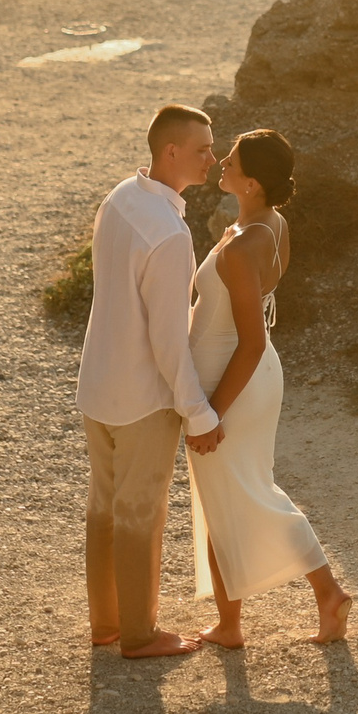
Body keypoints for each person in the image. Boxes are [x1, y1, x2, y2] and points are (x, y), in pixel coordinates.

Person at [186, 129, 354, 647]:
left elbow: (251, 342)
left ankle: (323, 592)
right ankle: (231, 622)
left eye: (231, 160)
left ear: (253, 183)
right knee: (231, 495)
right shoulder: (270, 223)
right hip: (247, 377)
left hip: (232, 378)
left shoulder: (244, 245)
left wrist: (209, 412)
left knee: (245, 494)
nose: (220, 163)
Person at [76, 104, 223, 659]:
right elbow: (169, 340)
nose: (213, 157)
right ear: (172, 153)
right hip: (140, 398)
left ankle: (107, 624)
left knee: (105, 508)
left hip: (98, 383)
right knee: (141, 513)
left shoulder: (120, 197)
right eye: (204, 148)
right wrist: (199, 412)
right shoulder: (169, 235)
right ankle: (139, 634)